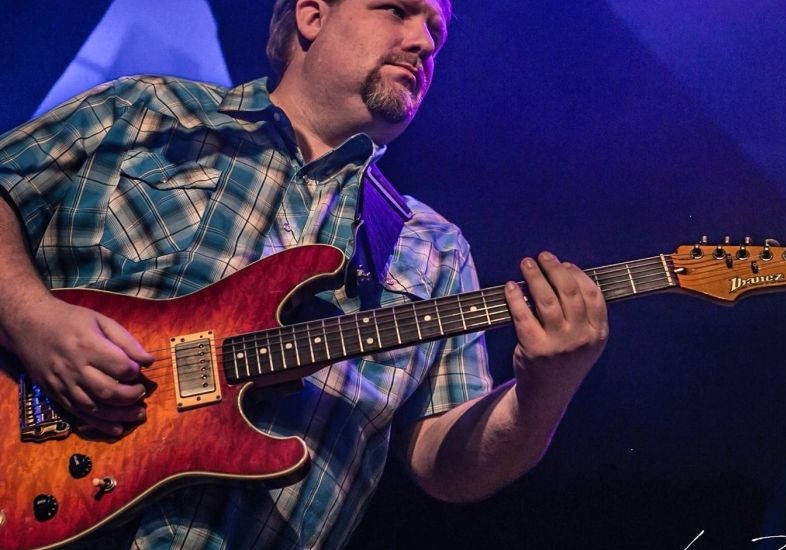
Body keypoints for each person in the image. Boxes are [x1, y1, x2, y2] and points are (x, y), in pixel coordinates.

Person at [0, 0, 608, 547]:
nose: (424, 41)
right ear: (312, 15)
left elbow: (444, 466)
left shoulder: (435, 248)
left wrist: (545, 391)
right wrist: (31, 318)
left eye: (436, 32)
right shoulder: (148, 111)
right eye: (397, 10)